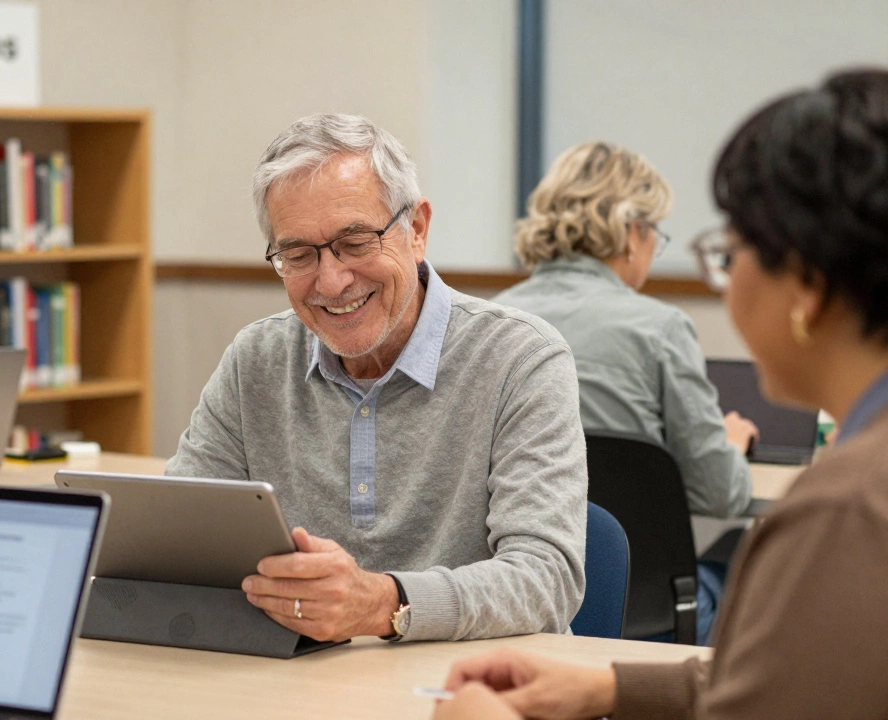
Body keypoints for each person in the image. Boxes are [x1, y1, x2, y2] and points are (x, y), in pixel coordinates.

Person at [432, 68, 888, 719]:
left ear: (807, 286)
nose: (725, 284)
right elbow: (794, 675)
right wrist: (611, 688)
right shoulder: (851, 497)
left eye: (733, 252)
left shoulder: (841, 515)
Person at [167, 114, 588, 643]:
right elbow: (176, 539)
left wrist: (385, 604)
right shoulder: (257, 358)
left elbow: (545, 580)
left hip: (474, 688)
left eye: (357, 241)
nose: (332, 280)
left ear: (417, 230)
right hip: (301, 687)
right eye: (298, 254)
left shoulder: (521, 358)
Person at [491, 141, 758, 644]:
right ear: (633, 233)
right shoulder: (659, 328)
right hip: (654, 613)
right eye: (656, 232)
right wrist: (733, 447)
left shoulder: (492, 320)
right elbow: (722, 493)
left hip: (525, 608)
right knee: (746, 552)